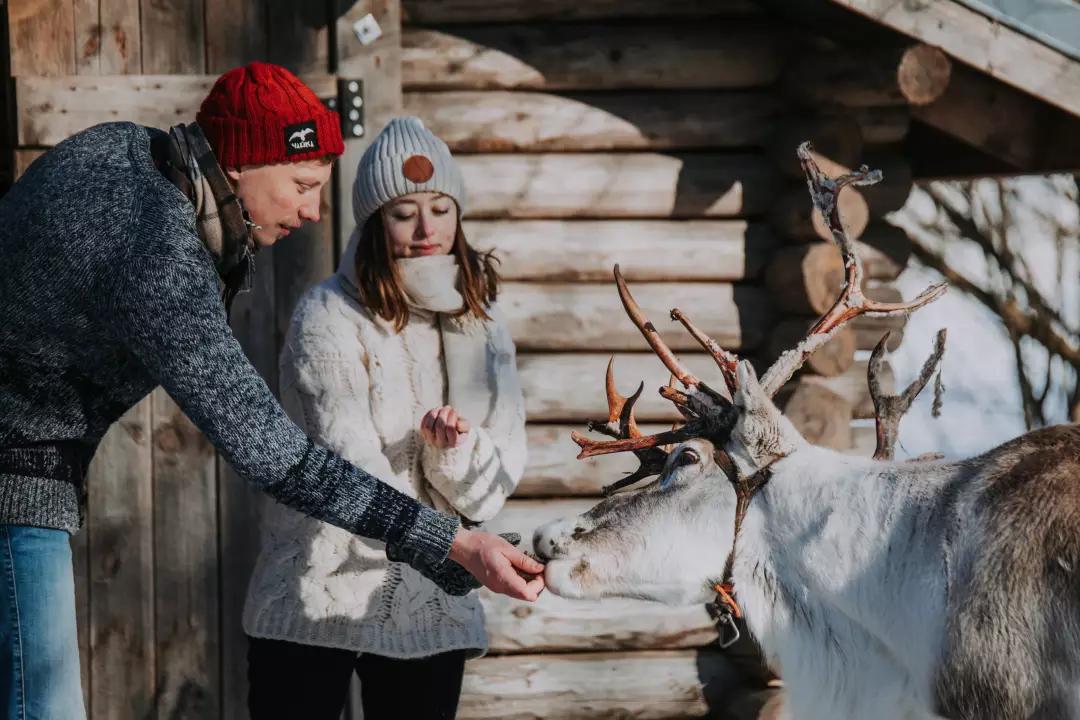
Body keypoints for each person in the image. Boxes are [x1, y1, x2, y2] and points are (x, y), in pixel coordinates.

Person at [0, 64, 543, 720]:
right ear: (240, 164)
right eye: (302, 185)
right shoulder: (153, 241)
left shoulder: (126, 150)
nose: (313, 212)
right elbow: (273, 452)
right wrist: (452, 543)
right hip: (15, 469)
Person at [243, 116, 527, 720]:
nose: (428, 230)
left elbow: (492, 488)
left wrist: (452, 452)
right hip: (319, 595)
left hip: (430, 603)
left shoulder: (482, 323)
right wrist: (448, 536)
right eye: (404, 213)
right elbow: (347, 464)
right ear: (375, 223)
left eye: (441, 209)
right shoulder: (327, 314)